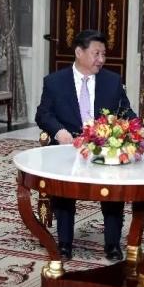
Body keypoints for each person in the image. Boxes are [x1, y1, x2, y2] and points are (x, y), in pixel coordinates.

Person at [35, 29, 135, 261]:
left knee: (113, 189)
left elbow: (125, 111)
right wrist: (59, 132)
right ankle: (64, 244)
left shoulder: (112, 81)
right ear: (79, 52)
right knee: (63, 188)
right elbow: (43, 114)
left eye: (103, 54)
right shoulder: (55, 82)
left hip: (103, 147)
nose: (101, 59)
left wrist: (135, 128)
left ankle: (112, 244)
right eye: (96, 53)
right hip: (68, 147)